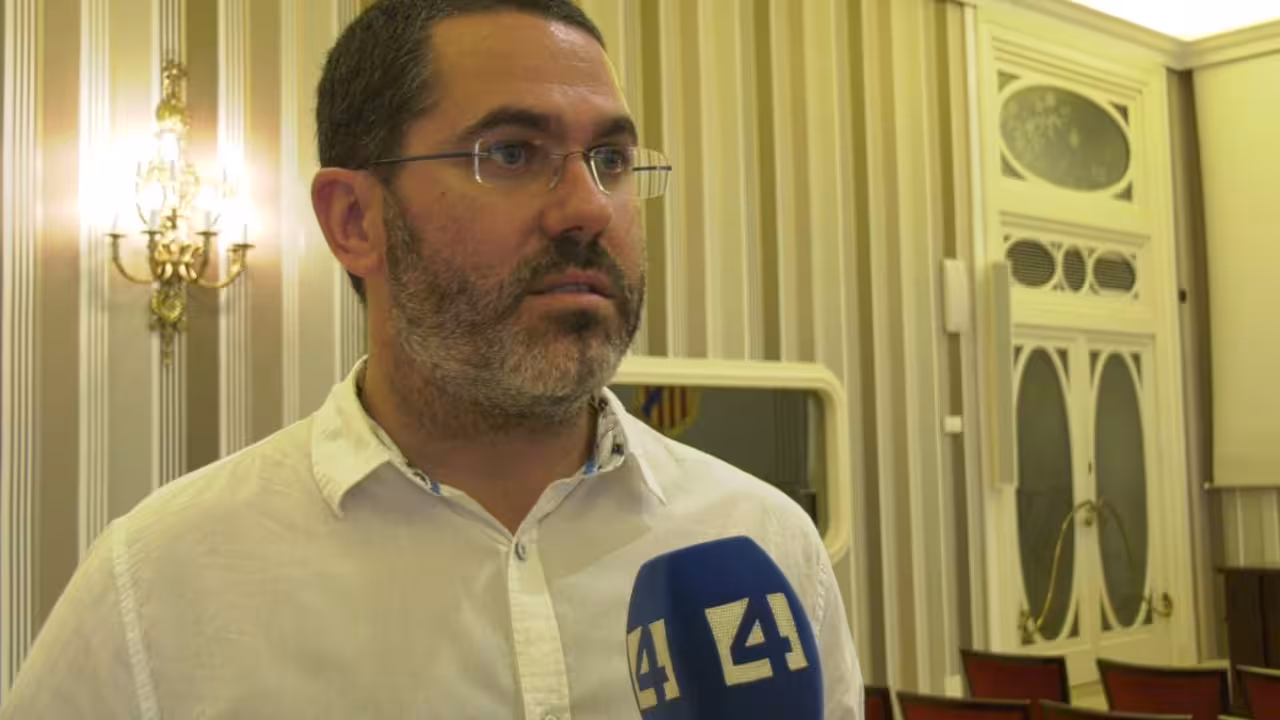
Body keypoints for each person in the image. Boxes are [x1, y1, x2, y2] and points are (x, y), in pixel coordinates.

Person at [1, 0, 863, 717]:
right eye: (511, 153)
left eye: (610, 160)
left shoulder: (765, 544)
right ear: (355, 221)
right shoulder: (156, 589)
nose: (589, 208)